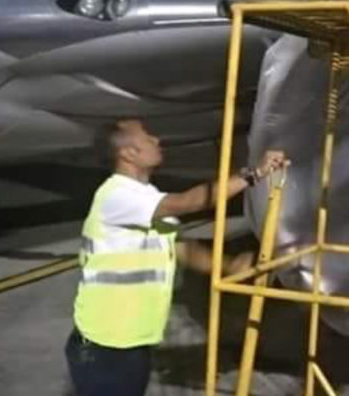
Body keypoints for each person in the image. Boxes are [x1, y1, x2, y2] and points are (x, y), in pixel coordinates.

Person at [64, 119, 286, 396]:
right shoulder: (116, 195)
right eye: (147, 137)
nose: (157, 140)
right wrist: (253, 174)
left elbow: (182, 249)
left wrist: (230, 266)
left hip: (133, 340)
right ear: (129, 153)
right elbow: (189, 202)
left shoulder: (148, 199)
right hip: (104, 345)